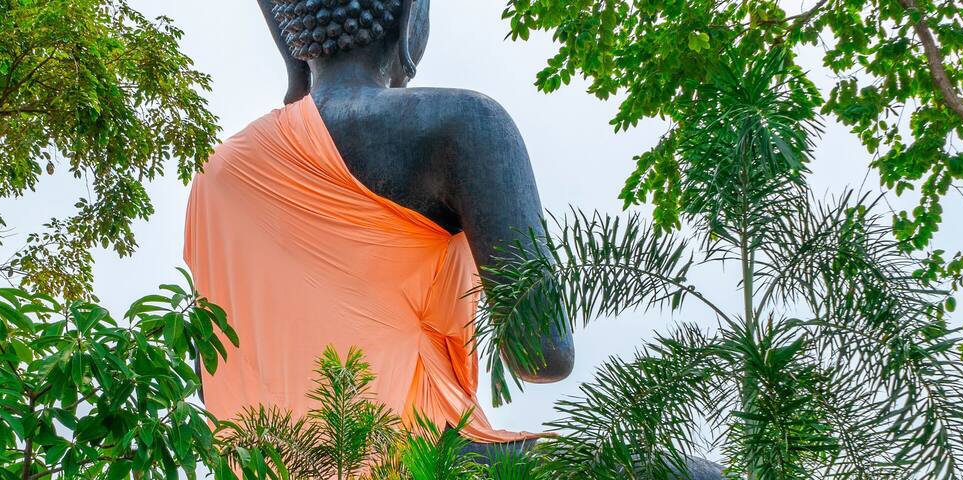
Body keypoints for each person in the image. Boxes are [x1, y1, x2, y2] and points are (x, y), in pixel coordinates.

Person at [188, 2, 714, 476]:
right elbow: (543, 355)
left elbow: (212, 375)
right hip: (418, 455)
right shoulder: (460, 125)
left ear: (289, 30)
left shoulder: (216, 175)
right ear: (409, 17)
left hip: (273, 465)